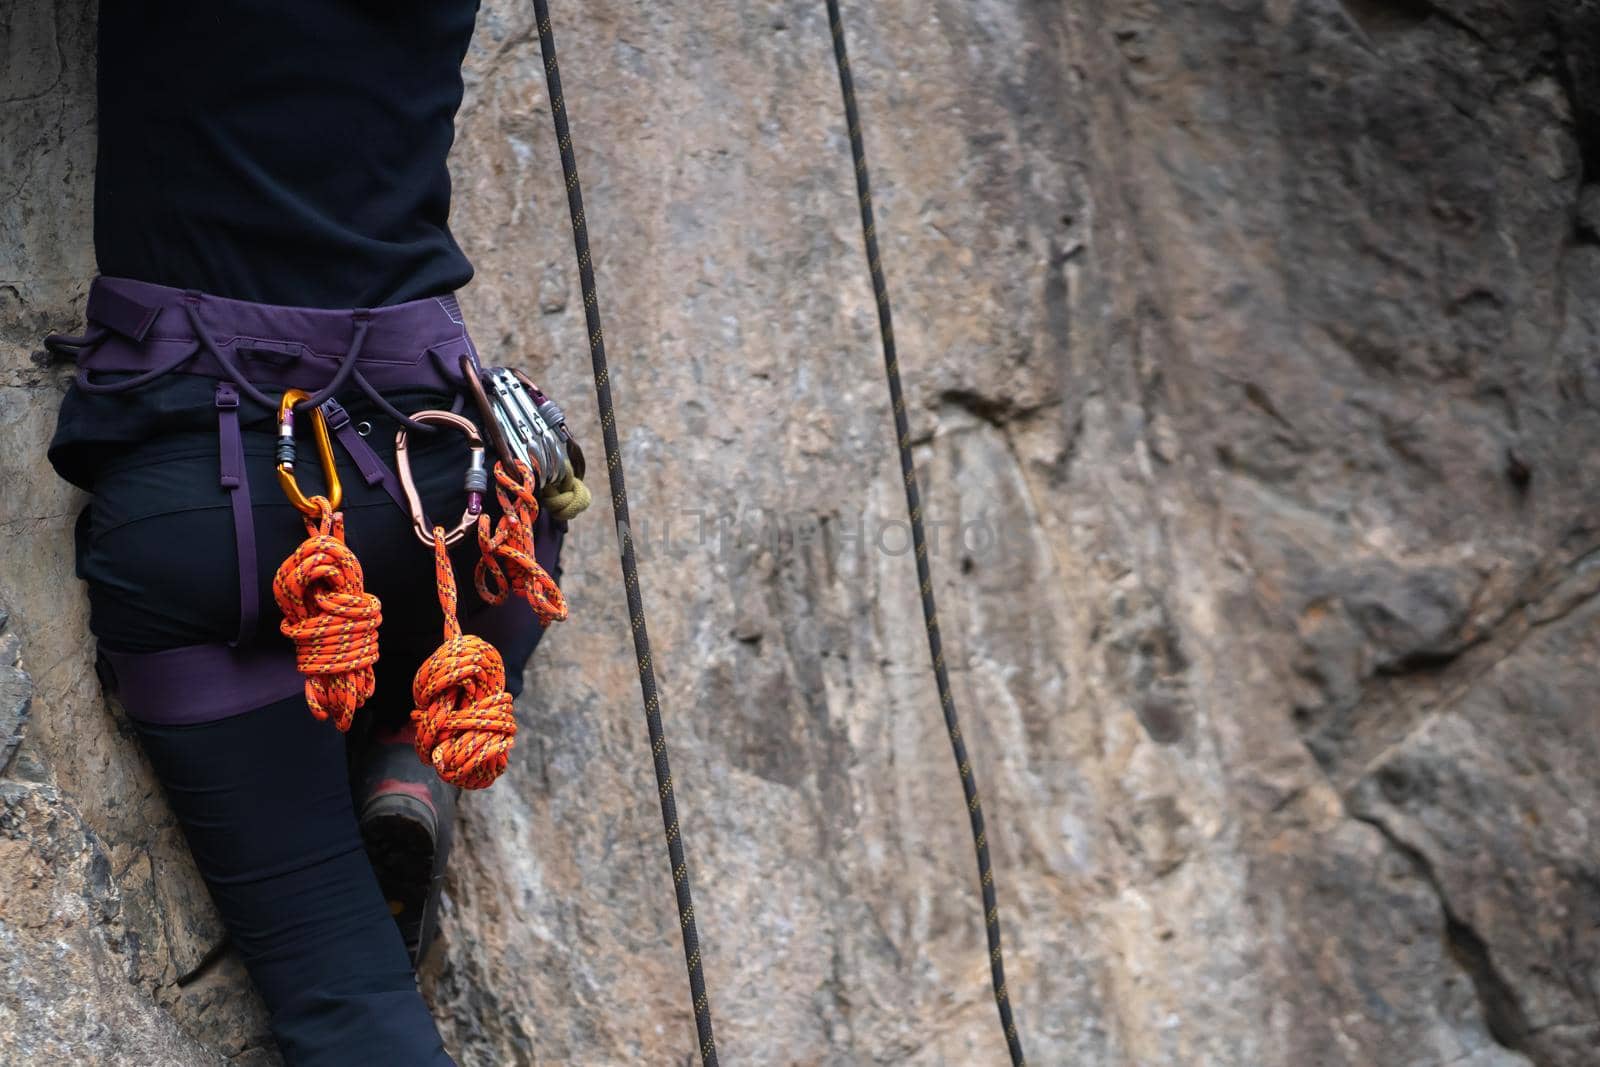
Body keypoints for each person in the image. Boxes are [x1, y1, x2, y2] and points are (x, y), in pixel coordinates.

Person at [44, 4, 567, 1063]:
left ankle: (385, 766)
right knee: (540, 510)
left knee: (346, 998)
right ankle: (409, 753)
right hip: (447, 493)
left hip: (225, 521)